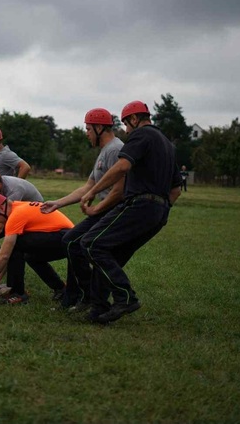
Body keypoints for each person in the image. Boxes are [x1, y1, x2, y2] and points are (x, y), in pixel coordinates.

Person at [78, 100, 181, 324]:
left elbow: (122, 166)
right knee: (111, 254)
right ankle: (98, 309)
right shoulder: (167, 144)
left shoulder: (142, 135)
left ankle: (125, 297)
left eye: (126, 124)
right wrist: (162, 211)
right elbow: (176, 189)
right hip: (158, 212)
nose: (125, 130)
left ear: (134, 119)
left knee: (90, 243)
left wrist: (92, 191)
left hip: (140, 204)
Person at [41, 108, 124, 309]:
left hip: (111, 211)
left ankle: (86, 296)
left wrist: (97, 209)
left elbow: (120, 189)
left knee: (75, 242)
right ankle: (80, 295)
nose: (86, 133)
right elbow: (88, 186)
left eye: (88, 129)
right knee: (71, 241)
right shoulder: (104, 151)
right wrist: (58, 203)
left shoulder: (115, 150)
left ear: (99, 127)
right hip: (103, 210)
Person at [0, 194, 72, 305]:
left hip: (65, 237)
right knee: (31, 257)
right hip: (67, 237)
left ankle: (17, 293)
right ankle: (61, 288)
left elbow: (4, 255)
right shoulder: (18, 206)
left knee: (16, 244)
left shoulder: (15, 215)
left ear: (1, 209)